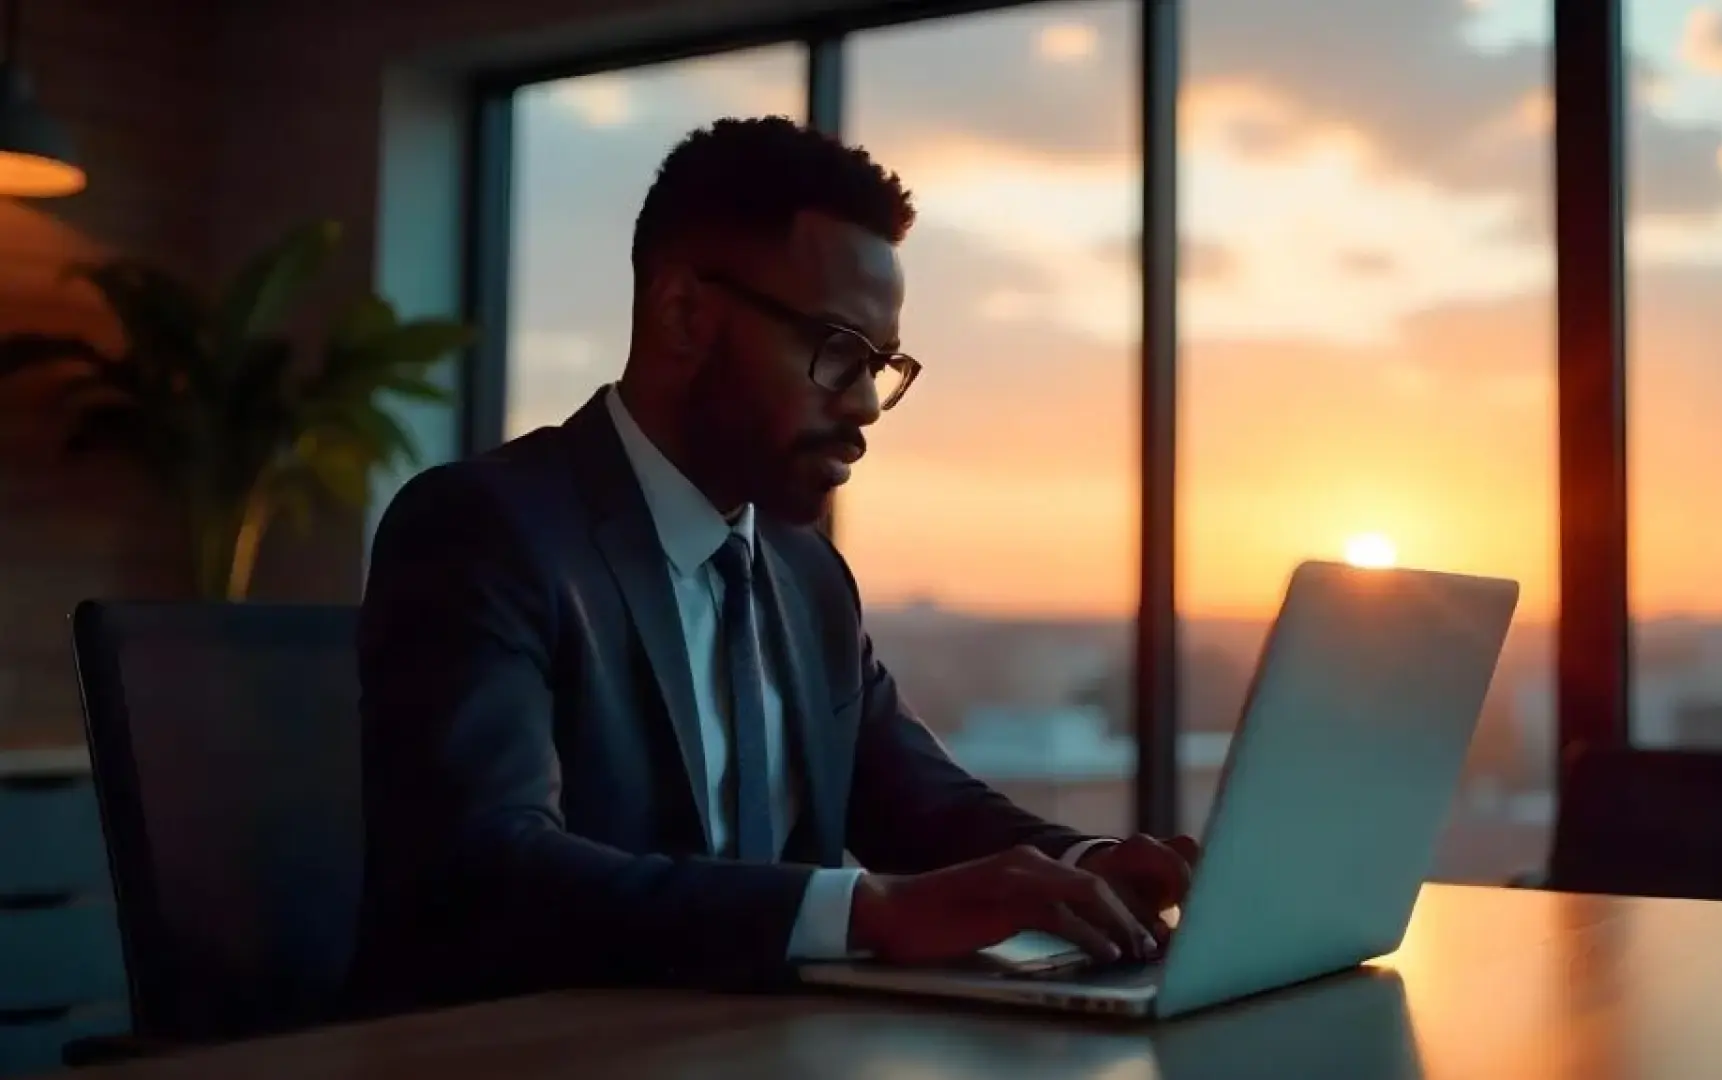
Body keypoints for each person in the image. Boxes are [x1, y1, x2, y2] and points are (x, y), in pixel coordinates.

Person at [349, 116, 1197, 1014]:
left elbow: (919, 803)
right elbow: (488, 870)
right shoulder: (485, 529)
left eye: (882, 364)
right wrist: (869, 910)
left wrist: (1092, 867)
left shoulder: (805, 576)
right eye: (837, 350)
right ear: (684, 314)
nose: (868, 403)